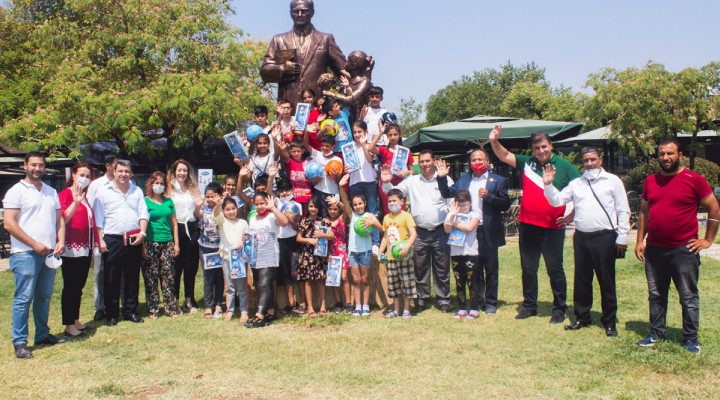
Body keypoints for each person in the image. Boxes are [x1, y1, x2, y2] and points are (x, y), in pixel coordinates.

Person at [635, 139, 720, 354]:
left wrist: (708, 240)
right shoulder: (650, 181)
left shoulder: (694, 180)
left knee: (688, 296)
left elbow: (714, 207)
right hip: (654, 249)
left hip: (684, 250)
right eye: (661, 154)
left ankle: (691, 338)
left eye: (670, 153)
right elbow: (644, 212)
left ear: (679, 154)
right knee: (656, 294)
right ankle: (656, 333)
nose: (665, 157)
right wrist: (639, 241)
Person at [489, 125, 580, 323]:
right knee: (528, 269)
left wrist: (571, 215)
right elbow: (504, 156)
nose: (541, 151)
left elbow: (583, 192)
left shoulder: (564, 166)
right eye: (537, 148)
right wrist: (494, 141)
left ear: (551, 146)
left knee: (554, 269)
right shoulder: (528, 163)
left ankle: (559, 309)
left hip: (553, 227)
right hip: (528, 225)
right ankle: (529, 306)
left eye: (544, 147)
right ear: (532, 150)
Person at [543, 148, 630, 336]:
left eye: (593, 159)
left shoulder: (613, 181)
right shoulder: (576, 184)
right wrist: (549, 185)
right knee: (582, 279)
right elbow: (557, 201)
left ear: (600, 159)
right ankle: (582, 317)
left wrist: (622, 236)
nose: (589, 164)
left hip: (605, 236)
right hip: (581, 236)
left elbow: (623, 210)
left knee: (606, 280)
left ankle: (609, 321)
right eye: (585, 160)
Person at [3, 152, 66, 358]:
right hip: (25, 254)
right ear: (25, 166)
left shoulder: (50, 191)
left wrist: (61, 240)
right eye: (33, 165)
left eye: (41, 165)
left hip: (48, 254)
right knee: (24, 298)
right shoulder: (16, 191)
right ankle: (20, 342)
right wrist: (34, 244)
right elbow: (9, 223)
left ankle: (42, 335)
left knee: (44, 297)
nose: (37, 168)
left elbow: (59, 220)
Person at [437, 149, 510, 315]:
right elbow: (447, 192)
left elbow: (505, 204)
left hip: (487, 229)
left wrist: (489, 196)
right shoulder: (464, 180)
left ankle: (491, 302)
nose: (477, 162)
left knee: (490, 268)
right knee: (474, 269)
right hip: (468, 231)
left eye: (480, 159)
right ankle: (478, 300)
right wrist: (441, 178)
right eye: (473, 159)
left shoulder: (498, 180)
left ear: (487, 161)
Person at [380, 150, 453, 313]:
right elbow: (393, 194)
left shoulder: (445, 178)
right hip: (419, 232)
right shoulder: (411, 181)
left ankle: (443, 299)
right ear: (418, 164)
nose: (425, 164)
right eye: (422, 162)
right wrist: (386, 182)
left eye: (428, 161)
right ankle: (421, 299)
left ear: (434, 161)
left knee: (442, 267)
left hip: (441, 230)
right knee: (420, 267)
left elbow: (452, 201)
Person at [260, 0, 346, 108]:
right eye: (296, 11)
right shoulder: (279, 40)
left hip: (316, 107)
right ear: (290, 13)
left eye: (304, 11)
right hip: (287, 107)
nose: (299, 15)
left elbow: (344, 71)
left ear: (312, 12)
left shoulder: (325, 39)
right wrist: (283, 69)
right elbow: (265, 71)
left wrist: (362, 76)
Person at [93, 159, 148, 326]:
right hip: (112, 239)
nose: (123, 174)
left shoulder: (137, 191)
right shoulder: (104, 192)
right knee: (112, 278)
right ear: (114, 172)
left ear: (131, 173)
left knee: (132, 276)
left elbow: (143, 213)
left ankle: (130, 310)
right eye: (120, 171)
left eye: (127, 171)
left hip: (134, 237)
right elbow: (98, 218)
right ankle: (111, 314)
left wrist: (142, 233)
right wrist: (101, 240)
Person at [58, 163, 99, 337]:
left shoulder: (85, 196)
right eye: (81, 174)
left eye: (88, 176)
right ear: (73, 175)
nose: (84, 178)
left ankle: (75, 319)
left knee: (79, 287)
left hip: (84, 248)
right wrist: (74, 203)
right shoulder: (66, 194)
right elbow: (62, 219)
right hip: (70, 249)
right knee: (70, 287)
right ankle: (68, 323)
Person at [337, 174, 382, 317]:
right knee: (356, 280)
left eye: (360, 204)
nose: (358, 206)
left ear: (365, 204)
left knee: (365, 279)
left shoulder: (370, 215)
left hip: (366, 252)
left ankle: (366, 306)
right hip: (353, 252)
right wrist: (340, 186)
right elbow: (344, 200)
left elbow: (382, 229)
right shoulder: (352, 215)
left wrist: (373, 223)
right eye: (355, 204)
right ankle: (358, 306)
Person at [244, 192, 289, 328]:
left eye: (262, 203)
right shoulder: (252, 219)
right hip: (255, 258)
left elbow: (284, 221)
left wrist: (273, 208)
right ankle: (270, 312)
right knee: (262, 285)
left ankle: (259, 315)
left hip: (269, 256)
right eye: (256, 204)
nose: (259, 206)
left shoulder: (271, 217)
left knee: (264, 284)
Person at [141, 171, 182, 319]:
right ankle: (153, 309)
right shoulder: (144, 201)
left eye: (161, 183)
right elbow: (141, 224)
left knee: (168, 276)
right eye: (156, 183)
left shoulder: (168, 202)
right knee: (151, 277)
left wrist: (176, 244)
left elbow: (174, 223)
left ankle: (170, 307)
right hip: (150, 242)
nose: (159, 185)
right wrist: (143, 246)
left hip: (167, 242)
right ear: (151, 184)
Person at [166, 159, 203, 313]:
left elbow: (197, 214)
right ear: (174, 171)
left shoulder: (193, 189)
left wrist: (199, 206)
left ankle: (189, 299)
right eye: (179, 170)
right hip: (176, 228)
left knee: (191, 267)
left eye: (185, 170)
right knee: (176, 267)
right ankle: (174, 301)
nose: (182, 173)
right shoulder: (168, 190)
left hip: (192, 228)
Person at [86, 155, 118, 322]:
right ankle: (99, 307)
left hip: (118, 237)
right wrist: (97, 238)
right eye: (116, 166)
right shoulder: (96, 185)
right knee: (100, 272)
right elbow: (91, 212)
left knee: (117, 274)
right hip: (102, 236)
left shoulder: (127, 185)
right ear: (108, 166)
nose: (119, 170)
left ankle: (115, 305)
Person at [378, 189, 418, 319]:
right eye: (389, 201)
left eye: (394, 200)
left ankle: (407, 309)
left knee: (407, 283)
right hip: (391, 258)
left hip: (404, 257)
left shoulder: (406, 216)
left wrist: (407, 247)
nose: (392, 203)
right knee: (393, 284)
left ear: (401, 202)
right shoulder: (386, 218)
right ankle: (396, 309)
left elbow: (413, 234)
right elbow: (385, 236)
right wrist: (380, 252)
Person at [443, 190, 482, 319]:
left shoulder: (474, 214)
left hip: (470, 252)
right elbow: (446, 229)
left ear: (470, 203)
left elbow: (469, 227)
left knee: (472, 281)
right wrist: (452, 215)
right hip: (456, 253)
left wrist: (454, 222)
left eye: (465, 204)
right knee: (459, 282)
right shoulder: (452, 215)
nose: (463, 207)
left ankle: (474, 308)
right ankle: (462, 308)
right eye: (460, 204)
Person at [214, 194, 250, 322]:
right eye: (227, 209)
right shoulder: (222, 222)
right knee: (230, 287)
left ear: (237, 208)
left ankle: (244, 311)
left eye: (233, 208)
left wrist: (243, 241)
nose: (231, 211)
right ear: (224, 211)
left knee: (242, 287)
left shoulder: (243, 222)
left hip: (240, 260)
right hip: (227, 258)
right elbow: (216, 215)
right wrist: (219, 204)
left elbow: (248, 238)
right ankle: (230, 311)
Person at [296, 197, 332, 317]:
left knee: (321, 280)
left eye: (315, 206)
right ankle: (310, 307)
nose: (313, 209)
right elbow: (298, 238)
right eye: (311, 206)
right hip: (307, 255)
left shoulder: (324, 221)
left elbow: (332, 236)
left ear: (319, 208)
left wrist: (322, 234)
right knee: (308, 281)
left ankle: (323, 306)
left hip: (320, 254)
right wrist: (309, 240)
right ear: (307, 207)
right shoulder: (304, 221)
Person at [369, 123, 414, 215]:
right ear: (387, 136)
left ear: (399, 135)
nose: (393, 137)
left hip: (401, 186)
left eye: (395, 134)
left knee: (401, 211)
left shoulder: (406, 151)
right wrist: (381, 132)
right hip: (386, 185)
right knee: (388, 212)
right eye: (390, 135)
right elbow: (370, 148)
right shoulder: (383, 149)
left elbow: (412, 170)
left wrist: (407, 172)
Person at [198, 182, 224, 319]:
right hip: (205, 246)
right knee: (208, 276)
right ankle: (208, 305)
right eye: (207, 196)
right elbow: (197, 214)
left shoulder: (224, 207)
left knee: (219, 277)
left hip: (220, 247)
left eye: (212, 196)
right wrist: (197, 206)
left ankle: (219, 304)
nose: (210, 199)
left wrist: (219, 204)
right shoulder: (203, 207)